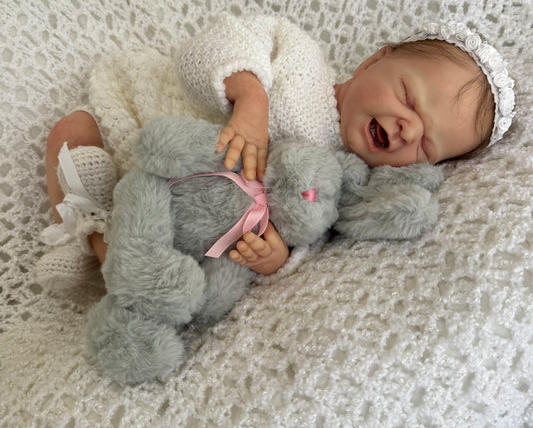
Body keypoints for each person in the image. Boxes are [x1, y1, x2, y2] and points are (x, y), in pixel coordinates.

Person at [36, 16, 515, 289]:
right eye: (408, 97)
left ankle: (112, 254)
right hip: (142, 119)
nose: (408, 128)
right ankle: (86, 227)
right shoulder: (299, 58)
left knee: (164, 241)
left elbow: (314, 233)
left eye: (427, 145)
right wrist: (251, 98)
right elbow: (210, 46)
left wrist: (279, 257)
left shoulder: (344, 180)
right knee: (73, 133)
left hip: (176, 206)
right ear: (374, 60)